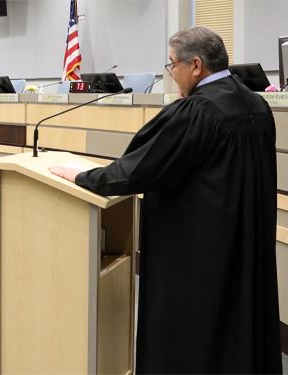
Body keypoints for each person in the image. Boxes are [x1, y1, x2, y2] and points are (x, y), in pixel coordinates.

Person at [50, 26, 282, 374]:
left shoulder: (198, 112)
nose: (171, 74)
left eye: (172, 65)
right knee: (240, 322)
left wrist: (83, 176)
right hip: (245, 245)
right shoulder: (257, 105)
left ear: (197, 65)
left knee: (197, 336)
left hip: (200, 256)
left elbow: (137, 171)